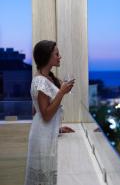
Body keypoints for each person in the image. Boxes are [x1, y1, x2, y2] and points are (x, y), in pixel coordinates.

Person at [24, 40, 75, 185]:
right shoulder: (40, 81)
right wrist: (61, 93)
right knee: (46, 178)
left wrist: (58, 129)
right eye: (57, 54)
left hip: (46, 133)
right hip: (42, 137)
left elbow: (38, 112)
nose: (60, 57)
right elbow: (45, 115)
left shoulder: (47, 78)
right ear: (47, 57)